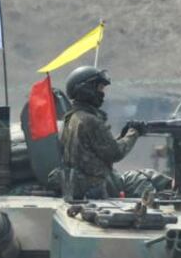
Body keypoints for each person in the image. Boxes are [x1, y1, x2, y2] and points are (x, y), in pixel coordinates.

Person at [60, 66, 142, 199]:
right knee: (144, 180)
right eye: (99, 88)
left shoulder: (71, 117)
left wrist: (122, 136)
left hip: (77, 187)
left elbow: (97, 148)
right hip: (95, 189)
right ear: (87, 90)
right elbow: (115, 153)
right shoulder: (90, 121)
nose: (102, 93)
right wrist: (134, 133)